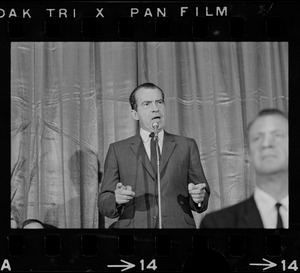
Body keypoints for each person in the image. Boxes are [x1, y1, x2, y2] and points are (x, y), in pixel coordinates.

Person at [98, 82, 210, 228]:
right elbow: (104, 200)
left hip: (178, 233)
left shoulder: (186, 146)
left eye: (159, 102)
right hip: (135, 235)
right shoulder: (118, 150)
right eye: (147, 104)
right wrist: (116, 200)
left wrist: (198, 198)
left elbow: (202, 191)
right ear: (135, 114)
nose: (156, 109)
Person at [200, 108, 288, 228]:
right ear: (248, 154)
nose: (267, 143)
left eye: (277, 135)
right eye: (258, 138)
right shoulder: (216, 224)